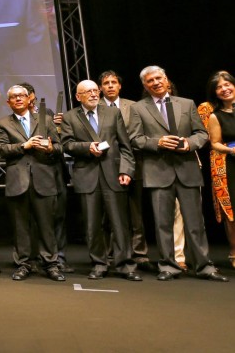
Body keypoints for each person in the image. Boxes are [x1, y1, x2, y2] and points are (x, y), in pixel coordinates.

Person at [127, 65, 227, 282]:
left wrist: (189, 144)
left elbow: (201, 134)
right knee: (163, 223)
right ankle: (168, 266)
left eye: (158, 78)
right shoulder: (138, 108)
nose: (156, 82)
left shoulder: (186, 103)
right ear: (145, 85)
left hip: (187, 169)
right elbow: (135, 139)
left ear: (166, 79)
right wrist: (158, 142)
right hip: (158, 171)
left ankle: (204, 266)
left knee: (195, 223)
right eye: (150, 80)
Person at [60, 80, 141, 281]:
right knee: (92, 224)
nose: (94, 94)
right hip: (87, 176)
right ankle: (99, 263)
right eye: (88, 92)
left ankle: (125, 265)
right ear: (78, 96)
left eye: (96, 90)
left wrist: (126, 170)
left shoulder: (112, 113)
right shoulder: (70, 117)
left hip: (114, 175)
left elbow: (125, 146)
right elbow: (67, 144)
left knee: (120, 223)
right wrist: (87, 147)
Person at [0, 85, 65, 282]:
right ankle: (23, 264)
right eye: (13, 97)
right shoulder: (3, 124)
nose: (18, 99)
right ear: (8, 102)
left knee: (47, 225)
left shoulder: (46, 120)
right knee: (21, 227)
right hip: (18, 181)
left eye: (21, 96)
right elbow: (1, 149)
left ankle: (51, 264)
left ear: (29, 99)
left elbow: (60, 147)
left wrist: (51, 148)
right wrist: (23, 146)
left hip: (44, 179)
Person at [99, 69, 154, 271]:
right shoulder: (95, 108)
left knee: (135, 212)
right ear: (100, 88)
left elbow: (139, 135)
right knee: (108, 214)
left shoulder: (133, 106)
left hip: (134, 164)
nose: (111, 86)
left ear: (120, 85)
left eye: (114, 82)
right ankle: (110, 254)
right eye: (106, 83)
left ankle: (139, 254)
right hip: (106, 165)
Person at [200, 71, 235, 268]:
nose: (225, 89)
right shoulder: (215, 115)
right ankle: (234, 252)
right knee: (232, 211)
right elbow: (214, 143)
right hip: (230, 163)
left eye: (228, 84)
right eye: (219, 87)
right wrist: (231, 150)